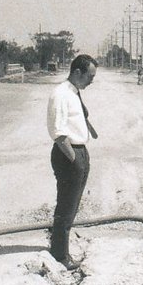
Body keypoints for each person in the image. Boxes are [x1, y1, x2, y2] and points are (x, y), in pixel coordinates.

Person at [46, 54, 98, 270]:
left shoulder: (74, 92)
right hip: (67, 154)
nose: (92, 81)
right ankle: (60, 255)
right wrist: (75, 160)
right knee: (66, 206)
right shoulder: (60, 94)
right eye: (90, 76)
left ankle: (61, 248)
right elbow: (58, 133)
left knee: (73, 205)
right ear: (77, 72)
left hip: (79, 150)